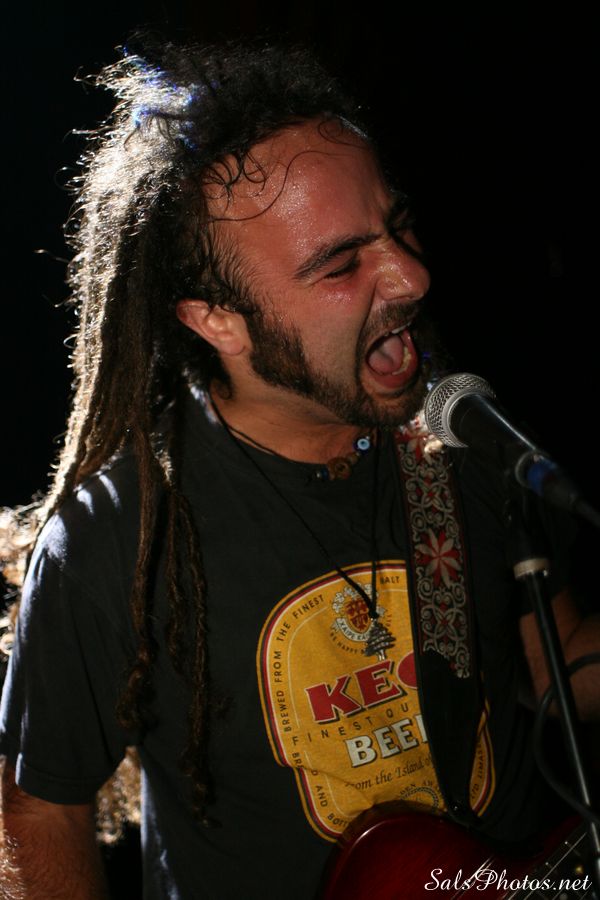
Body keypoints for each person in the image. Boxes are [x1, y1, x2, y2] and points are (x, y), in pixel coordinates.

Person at [0, 39, 597, 900]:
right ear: (219, 321)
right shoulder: (120, 535)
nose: (411, 274)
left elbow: (555, 666)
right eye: (342, 264)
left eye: (398, 226)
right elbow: (41, 810)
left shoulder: (459, 435)